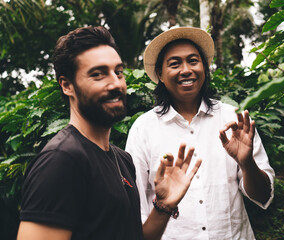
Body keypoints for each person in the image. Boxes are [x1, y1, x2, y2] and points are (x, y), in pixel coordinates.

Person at [16, 26, 202, 240]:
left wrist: (163, 206)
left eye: (118, 72)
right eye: (98, 75)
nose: (115, 83)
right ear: (67, 85)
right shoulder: (62, 160)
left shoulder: (122, 159)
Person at [125, 27, 275, 240]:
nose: (186, 70)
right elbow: (136, 208)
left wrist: (247, 162)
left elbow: (263, 195)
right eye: (174, 64)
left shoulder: (232, 119)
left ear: (205, 67)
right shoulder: (143, 128)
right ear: (159, 74)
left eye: (193, 61)